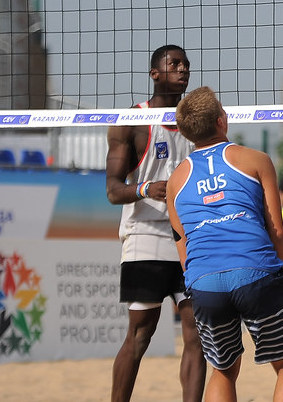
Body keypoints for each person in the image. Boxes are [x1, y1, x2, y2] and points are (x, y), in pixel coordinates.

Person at [167, 86, 283, 402]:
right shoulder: (255, 160)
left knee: (223, 371)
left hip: (204, 282)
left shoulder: (176, 180)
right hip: (255, 272)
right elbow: (276, 229)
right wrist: (278, 273)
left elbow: (183, 247)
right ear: (221, 120)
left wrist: (198, 283)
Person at [105, 45, 204, 402]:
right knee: (140, 334)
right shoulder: (132, 120)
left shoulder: (197, 122)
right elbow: (113, 190)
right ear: (155, 74)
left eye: (186, 64)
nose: (183, 69)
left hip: (189, 239)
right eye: (174, 64)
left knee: (197, 334)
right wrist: (147, 188)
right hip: (145, 236)